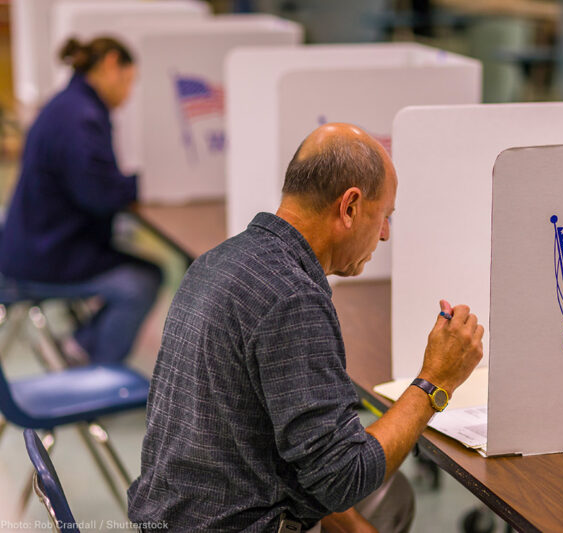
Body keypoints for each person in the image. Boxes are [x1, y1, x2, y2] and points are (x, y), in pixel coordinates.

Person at [128, 123, 484, 532]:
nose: (385, 234)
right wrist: (435, 380)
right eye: (384, 216)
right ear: (349, 207)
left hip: (173, 515)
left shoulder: (218, 260)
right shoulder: (292, 298)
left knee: (388, 496)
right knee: (385, 495)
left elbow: (301, 454)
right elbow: (344, 477)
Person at [0, 37, 162, 364]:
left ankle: (79, 346)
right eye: (129, 82)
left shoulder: (68, 105)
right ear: (111, 64)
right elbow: (99, 196)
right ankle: (94, 370)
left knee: (132, 259)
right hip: (41, 260)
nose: (128, 95)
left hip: (33, 244)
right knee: (142, 281)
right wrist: (147, 184)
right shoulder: (81, 118)